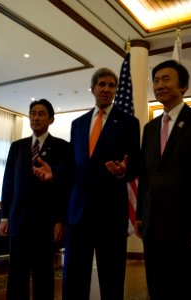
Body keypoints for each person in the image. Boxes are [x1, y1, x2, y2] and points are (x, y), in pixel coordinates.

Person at [134, 60, 191, 300]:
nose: (159, 85)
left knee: (187, 286)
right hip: (153, 225)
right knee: (157, 285)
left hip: (188, 225)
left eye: (166, 79)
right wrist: (141, 213)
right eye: (156, 80)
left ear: (183, 86)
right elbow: (147, 173)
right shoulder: (150, 128)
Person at [62, 67, 141, 299]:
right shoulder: (77, 124)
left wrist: (122, 172)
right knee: (74, 277)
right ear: (93, 89)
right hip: (78, 213)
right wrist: (54, 173)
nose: (107, 89)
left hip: (110, 213)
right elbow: (71, 166)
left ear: (116, 90)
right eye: (102, 84)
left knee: (112, 277)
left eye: (111, 85)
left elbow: (135, 164)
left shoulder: (129, 122)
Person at [0, 99, 74, 300]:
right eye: (33, 113)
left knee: (43, 273)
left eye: (41, 114)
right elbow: (8, 183)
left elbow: (64, 187)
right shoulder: (17, 147)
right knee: (17, 273)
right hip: (18, 219)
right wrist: (4, 217)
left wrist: (60, 219)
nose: (36, 117)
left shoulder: (62, 147)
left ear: (51, 119)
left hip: (46, 221)